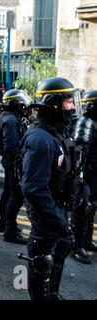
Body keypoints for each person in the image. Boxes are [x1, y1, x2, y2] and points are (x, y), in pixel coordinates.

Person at [20, 77, 77, 300]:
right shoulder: (40, 138)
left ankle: (53, 293)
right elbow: (34, 188)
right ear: (54, 103)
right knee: (42, 266)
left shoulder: (57, 132)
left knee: (58, 258)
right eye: (69, 102)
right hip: (47, 217)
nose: (72, 107)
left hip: (58, 211)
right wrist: (59, 221)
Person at [0, 89, 31, 244]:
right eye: (21, 104)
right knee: (16, 195)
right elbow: (11, 146)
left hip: (9, 161)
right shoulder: (10, 120)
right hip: (13, 162)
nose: (23, 107)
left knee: (7, 193)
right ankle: (10, 230)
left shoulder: (5, 116)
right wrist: (19, 162)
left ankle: (4, 225)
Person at [71, 90, 97, 264]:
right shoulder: (85, 122)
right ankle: (76, 246)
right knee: (83, 207)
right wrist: (79, 176)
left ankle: (87, 240)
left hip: (94, 173)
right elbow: (79, 152)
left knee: (92, 207)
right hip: (85, 173)